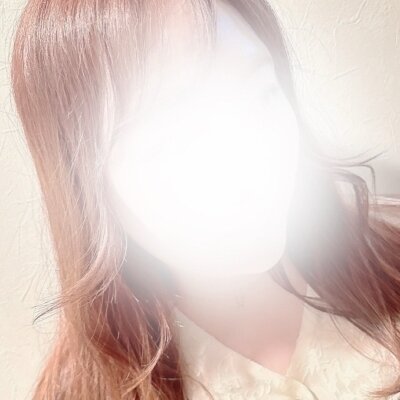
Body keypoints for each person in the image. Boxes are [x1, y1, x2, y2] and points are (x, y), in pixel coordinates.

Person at [10, 0, 400, 399]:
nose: (247, 159)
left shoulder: (388, 255)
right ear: (85, 189)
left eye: (261, 95)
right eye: (169, 141)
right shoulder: (82, 391)